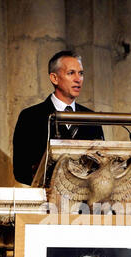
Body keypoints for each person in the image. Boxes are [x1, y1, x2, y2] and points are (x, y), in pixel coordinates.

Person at [13, 50, 104, 185]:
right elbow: (21, 170)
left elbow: (101, 164)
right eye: (71, 73)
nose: (78, 79)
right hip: (47, 200)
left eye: (81, 73)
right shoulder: (30, 117)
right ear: (54, 78)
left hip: (84, 203)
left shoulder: (91, 118)